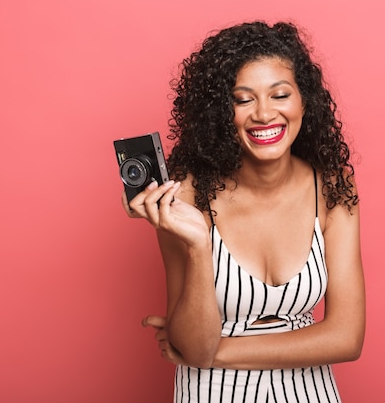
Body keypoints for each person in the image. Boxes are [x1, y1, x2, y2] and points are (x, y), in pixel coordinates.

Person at [123, 21, 365, 402]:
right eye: (243, 99)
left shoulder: (333, 189)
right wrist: (199, 247)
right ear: (220, 112)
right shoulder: (185, 195)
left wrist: (216, 353)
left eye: (280, 94)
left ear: (305, 102)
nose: (264, 114)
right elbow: (195, 343)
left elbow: (347, 337)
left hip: (309, 392)